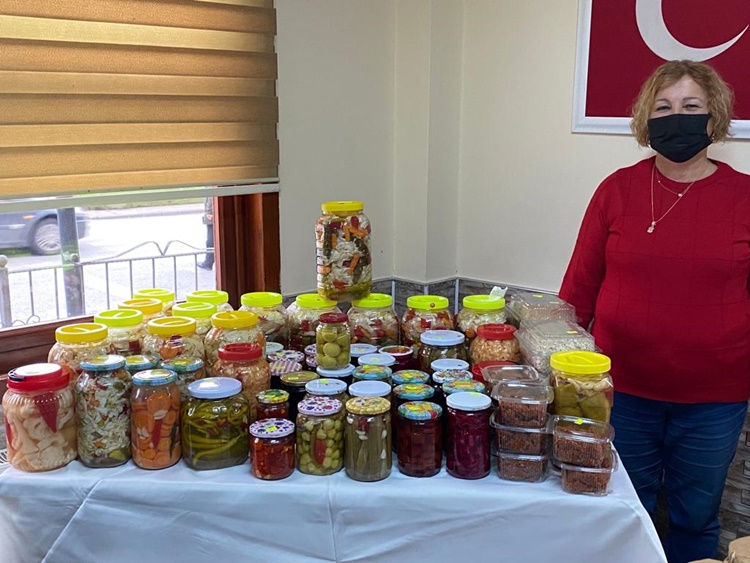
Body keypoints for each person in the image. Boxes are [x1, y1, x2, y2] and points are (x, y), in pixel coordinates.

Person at [559, 60, 750, 563]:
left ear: (714, 117)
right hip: (622, 390)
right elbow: (579, 288)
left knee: (695, 517)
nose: (676, 117)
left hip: (714, 398)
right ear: (646, 118)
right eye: (663, 107)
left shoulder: (745, 197)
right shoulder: (616, 190)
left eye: (691, 106)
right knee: (621, 509)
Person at [198, 196, 214, 270]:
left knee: (210, 241)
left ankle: (208, 263)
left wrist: (209, 213)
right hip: (210, 216)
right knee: (210, 241)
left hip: (211, 217)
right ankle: (208, 262)